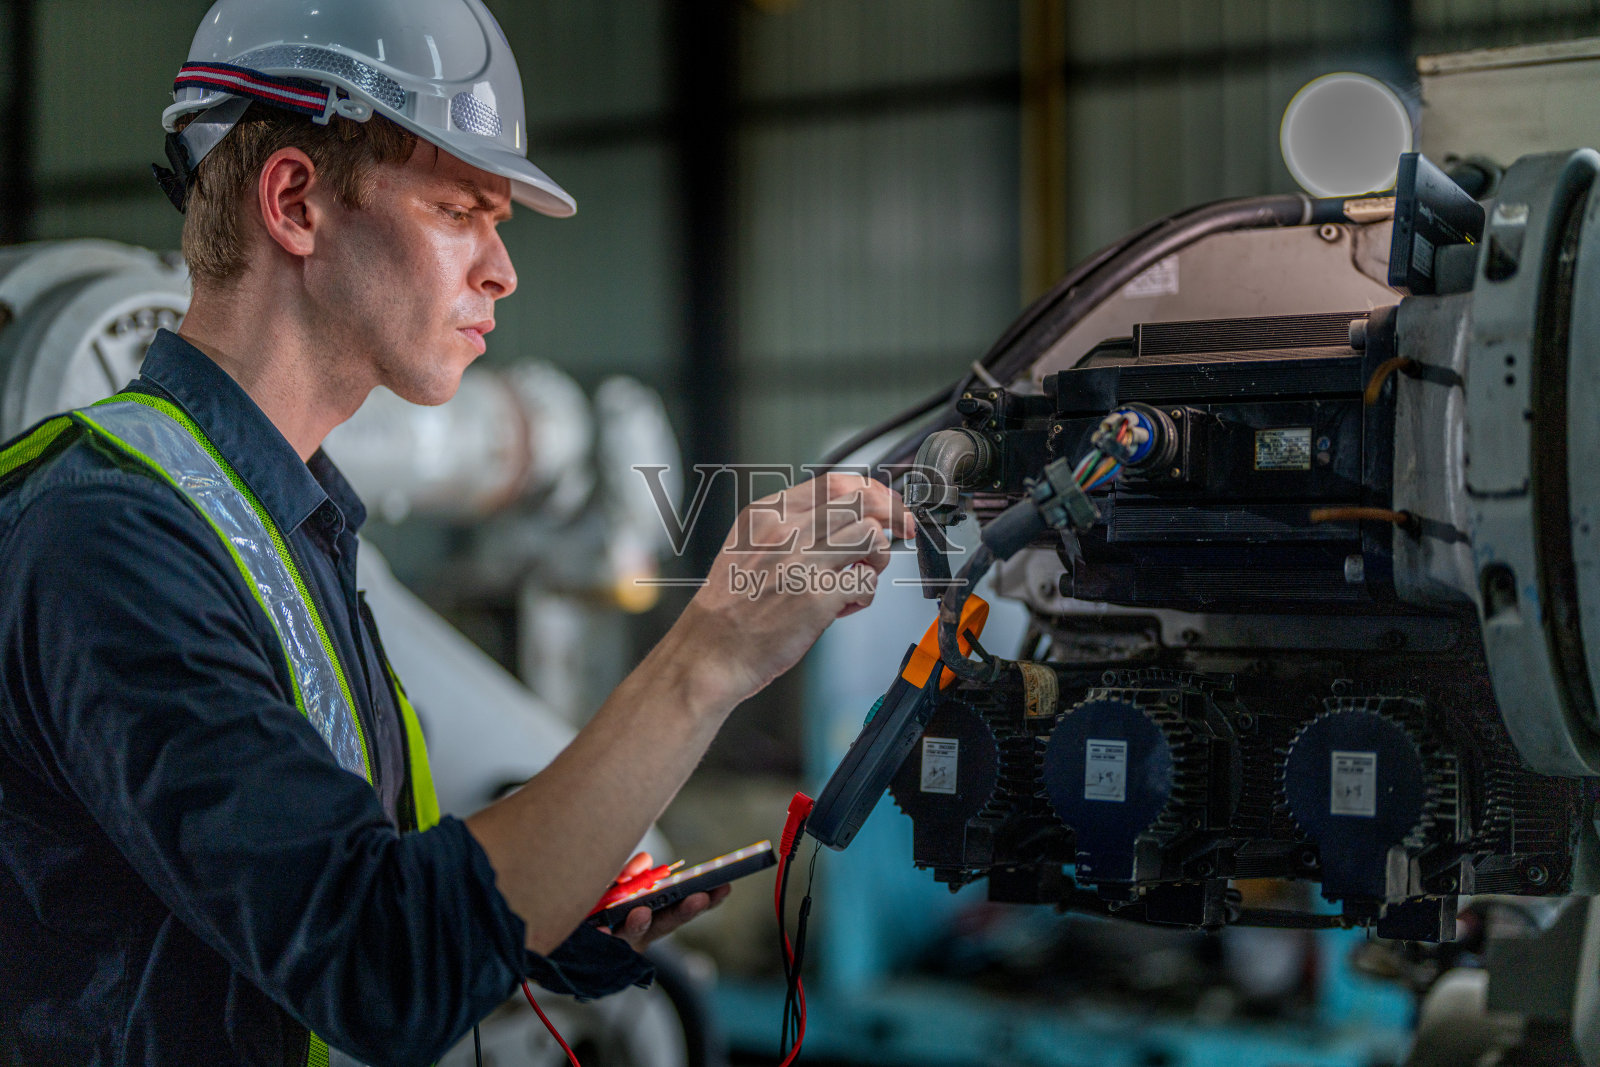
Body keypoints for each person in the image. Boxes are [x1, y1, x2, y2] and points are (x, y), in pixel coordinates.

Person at [0, 1, 912, 1064]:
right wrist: (709, 656)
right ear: (294, 200)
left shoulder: (289, 517)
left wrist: (539, 913)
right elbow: (376, 962)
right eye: (459, 210)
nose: (500, 270)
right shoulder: (108, 539)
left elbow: (325, 885)